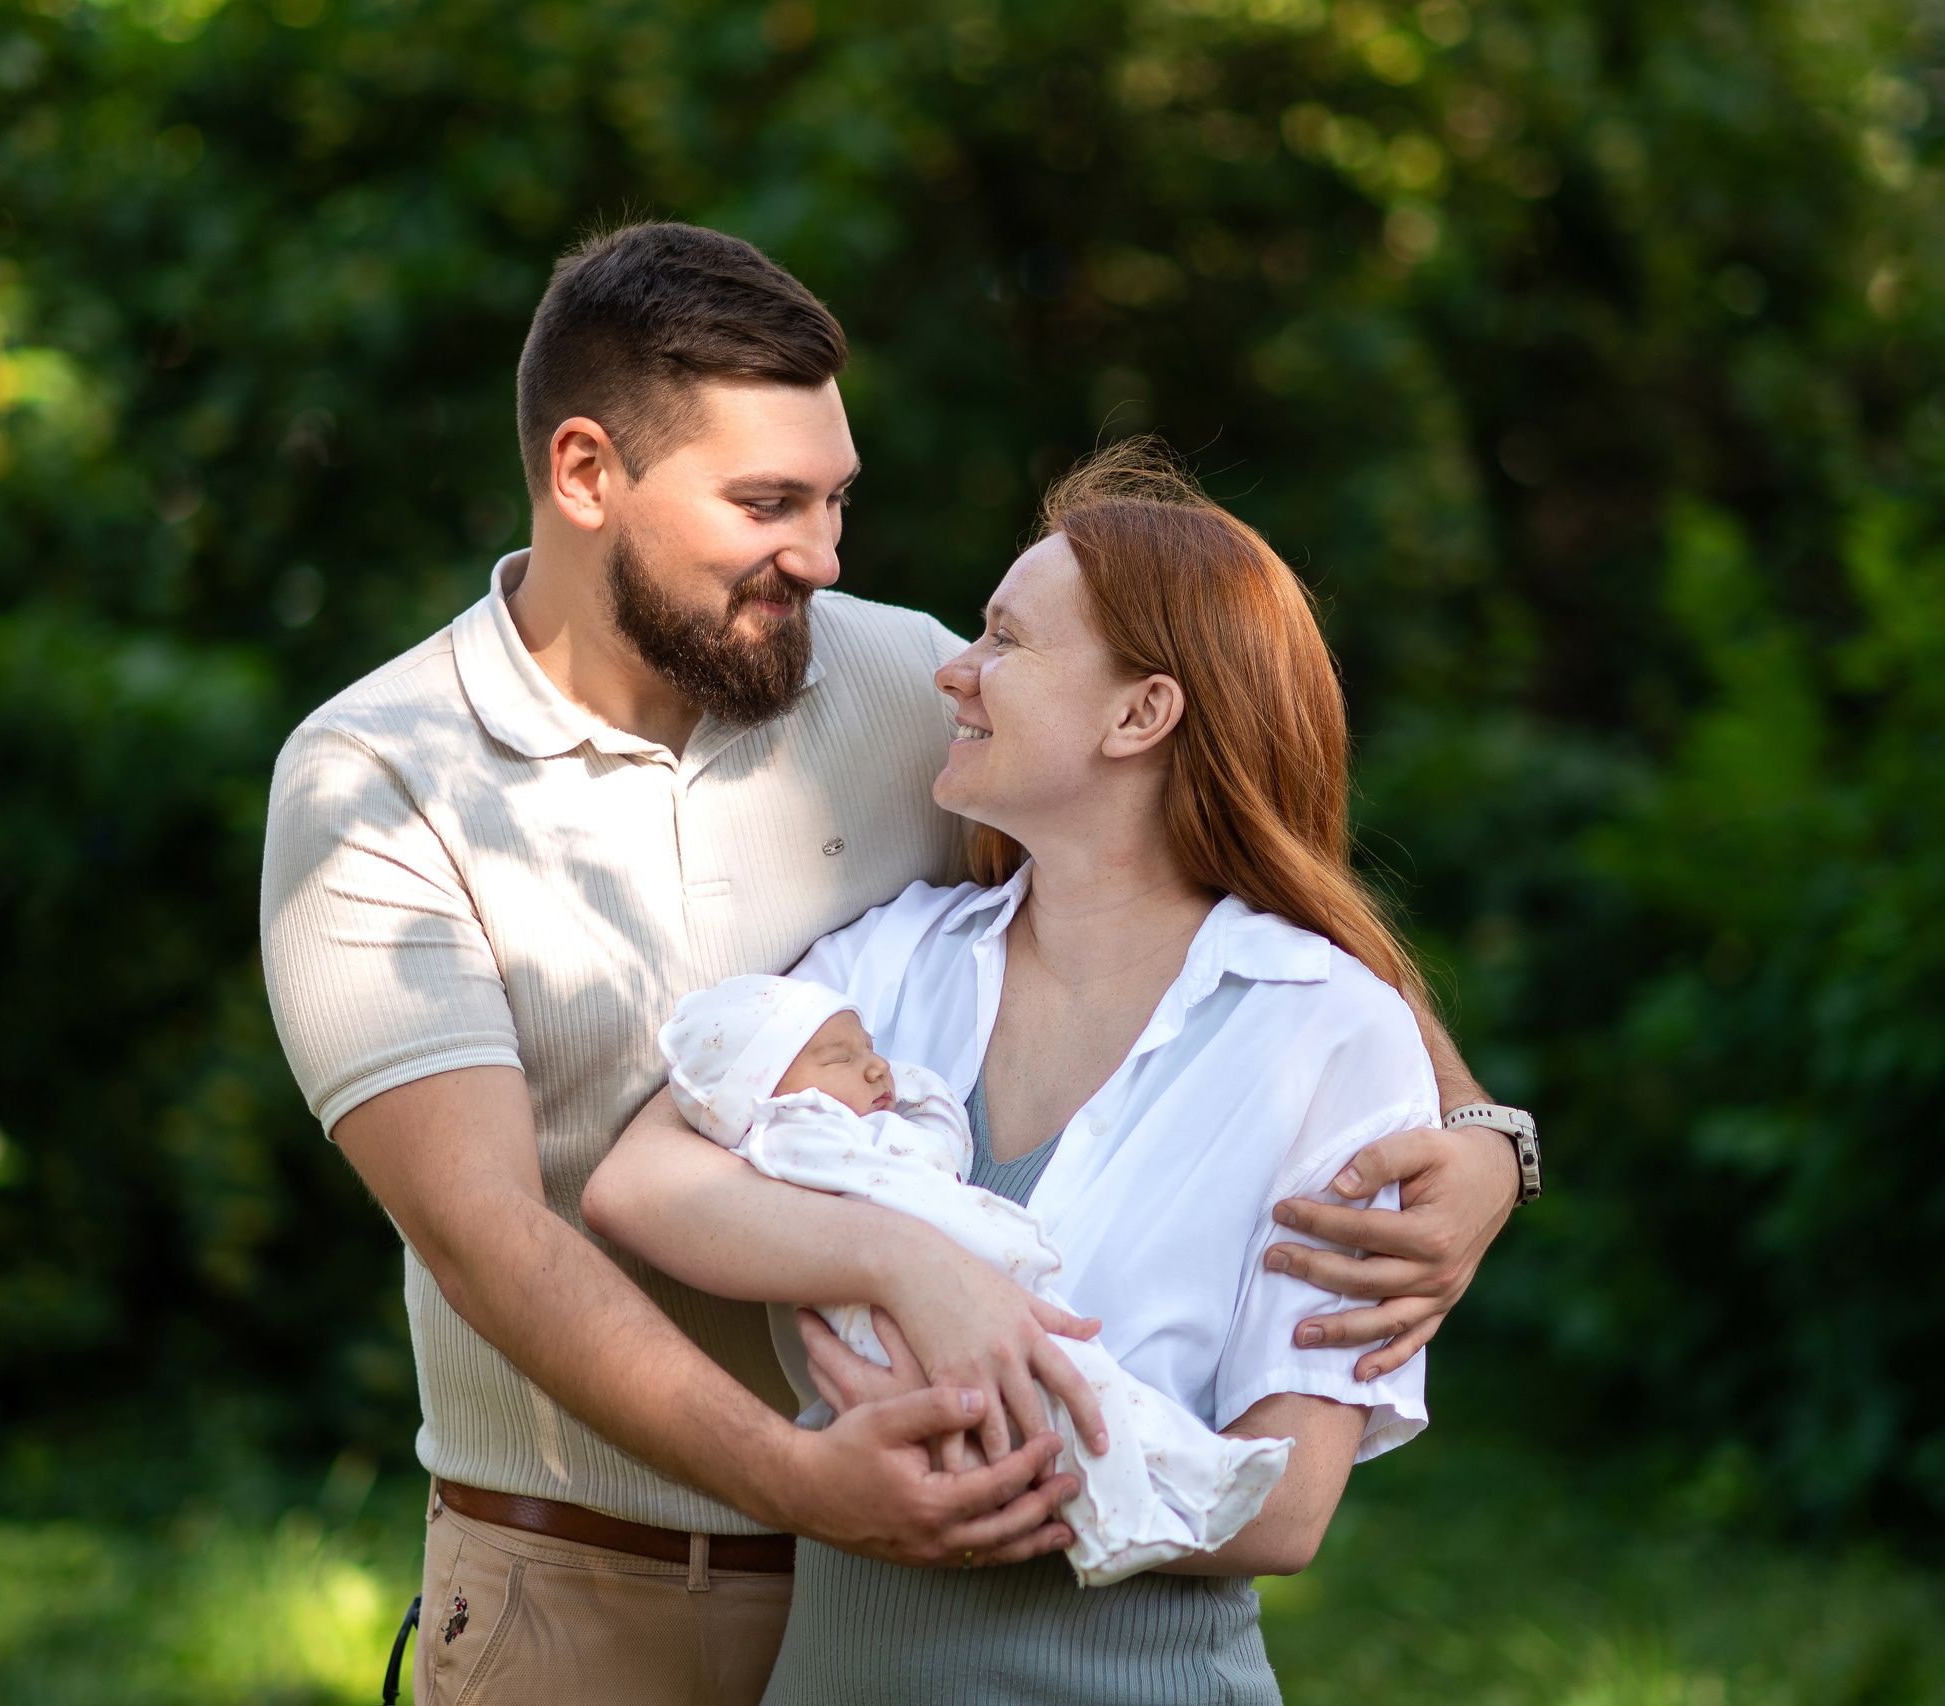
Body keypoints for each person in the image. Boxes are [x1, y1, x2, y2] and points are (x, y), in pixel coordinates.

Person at [259, 221, 1526, 1706]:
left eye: (836, 499)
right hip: (588, 1593)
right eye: (767, 502)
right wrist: (811, 1475)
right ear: (588, 475)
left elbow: (1233, 897)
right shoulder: (374, 776)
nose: (824, 554)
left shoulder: (893, 683)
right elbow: (493, 1237)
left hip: (908, 1607)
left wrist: (1484, 1140)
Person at [583, 445, 1455, 1703]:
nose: (955, 668)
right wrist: (905, 1267)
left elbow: (1286, 1505)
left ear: (1138, 714)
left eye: (1004, 640)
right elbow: (639, 1181)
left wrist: (967, 1481)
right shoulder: (886, 959)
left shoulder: (1326, 1030)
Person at [658, 972, 1292, 1586]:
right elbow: (932, 1157)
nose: (878, 1068)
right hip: (887, 1317)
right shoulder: (792, 1139)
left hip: (929, 1299)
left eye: (873, 1050)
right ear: (768, 1092)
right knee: (1061, 1388)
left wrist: (903, 1090)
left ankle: (1159, 1487)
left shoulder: (844, 1132)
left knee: (1072, 1384)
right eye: (840, 1057)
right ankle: (1152, 1496)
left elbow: (938, 1145)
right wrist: (919, 1097)